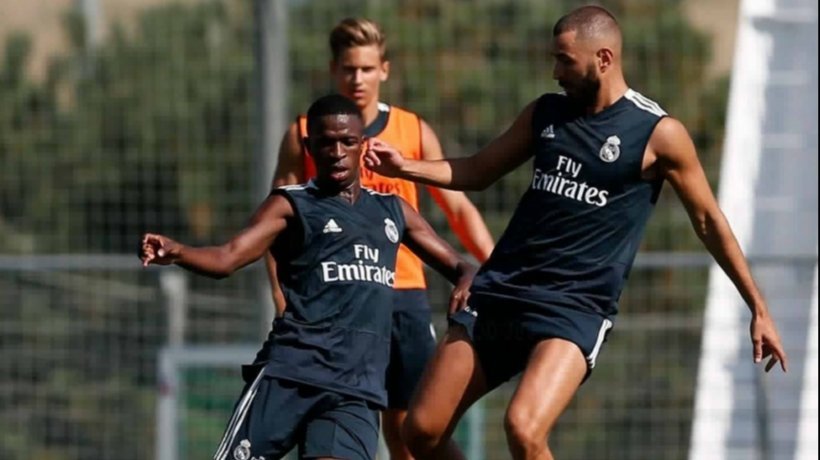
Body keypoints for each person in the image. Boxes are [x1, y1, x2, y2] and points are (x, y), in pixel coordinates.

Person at [365, 6, 789, 460]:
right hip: (502, 291)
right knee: (420, 432)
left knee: (523, 430)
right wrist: (405, 166)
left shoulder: (657, 134)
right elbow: (477, 170)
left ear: (604, 58)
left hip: (574, 308)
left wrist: (757, 307)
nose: (555, 71)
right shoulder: (545, 114)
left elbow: (708, 221)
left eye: (565, 60)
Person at [140, 94, 477, 460]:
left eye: (347, 141)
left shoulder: (391, 209)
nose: (336, 151)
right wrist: (178, 252)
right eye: (325, 142)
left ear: (362, 145)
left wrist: (466, 279)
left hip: (355, 389)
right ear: (309, 146)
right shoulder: (291, 204)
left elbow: (459, 265)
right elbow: (227, 258)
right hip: (290, 375)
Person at [266, 17, 494, 460]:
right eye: (349, 69)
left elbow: (460, 207)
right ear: (334, 70)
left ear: (384, 70)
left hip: (401, 297)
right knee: (335, 419)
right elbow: (276, 225)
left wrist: (498, 267)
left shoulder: (411, 130)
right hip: (331, 301)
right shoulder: (307, 136)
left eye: (367, 69)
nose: (358, 79)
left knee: (413, 429)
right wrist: (281, 296)